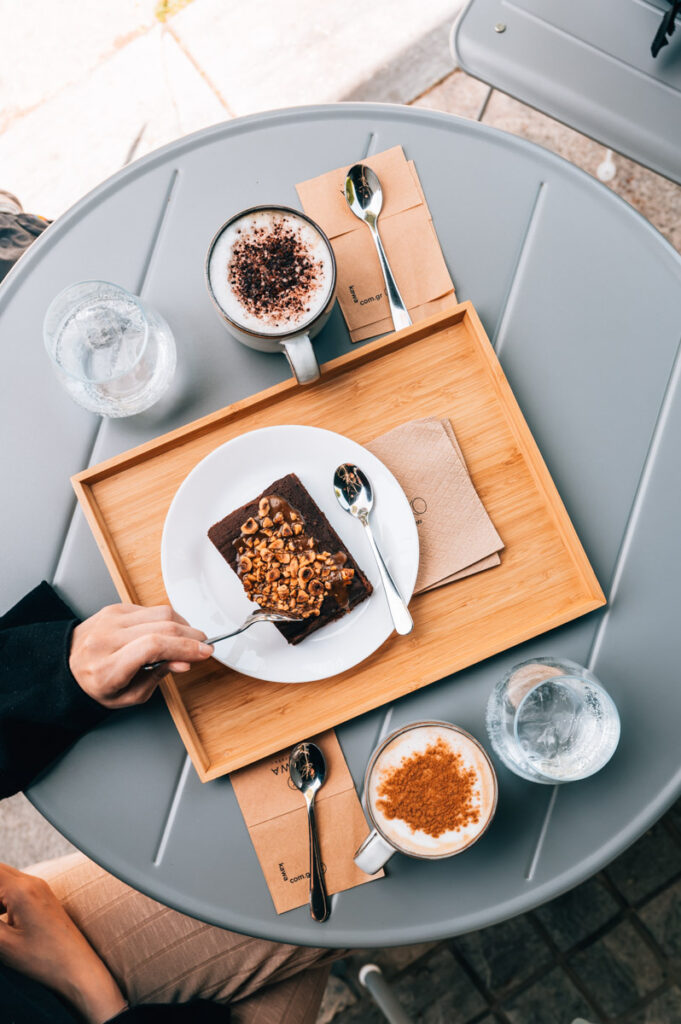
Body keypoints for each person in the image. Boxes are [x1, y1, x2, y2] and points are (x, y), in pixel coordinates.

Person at [0, 582, 341, 1023]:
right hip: (78, 992)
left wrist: (51, 670)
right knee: (337, 878)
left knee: (314, 896)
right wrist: (88, 989)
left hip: (24, 942)